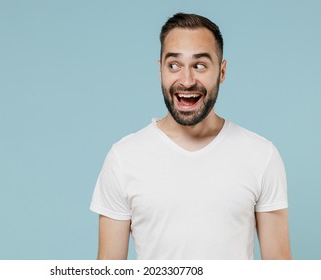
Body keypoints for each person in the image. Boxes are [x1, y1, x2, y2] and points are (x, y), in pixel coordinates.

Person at [90, 13, 291, 260]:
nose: (186, 81)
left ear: (222, 72)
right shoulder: (123, 159)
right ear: (160, 70)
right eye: (174, 65)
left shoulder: (262, 156)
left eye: (200, 65)